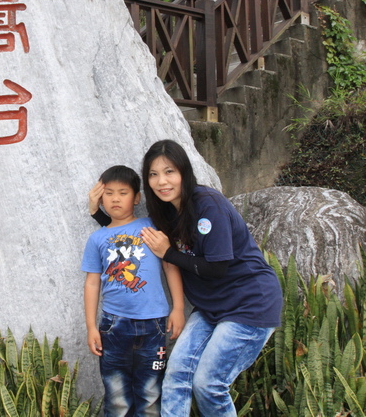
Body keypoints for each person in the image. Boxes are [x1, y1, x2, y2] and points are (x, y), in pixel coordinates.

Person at [91, 142, 282, 417]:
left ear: (184, 171)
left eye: (169, 171)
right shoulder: (165, 211)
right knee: (176, 377)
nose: (162, 181)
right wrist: (98, 214)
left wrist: (169, 253)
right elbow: (134, 240)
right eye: (154, 174)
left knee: (209, 385)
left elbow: (217, 267)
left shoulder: (208, 205)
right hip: (210, 308)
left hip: (249, 305)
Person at [82, 165, 185, 417]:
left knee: (150, 394)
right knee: (116, 397)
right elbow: (92, 283)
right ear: (100, 197)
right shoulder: (97, 239)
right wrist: (91, 326)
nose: (115, 199)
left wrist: (179, 308)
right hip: (113, 325)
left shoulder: (151, 227)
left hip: (154, 324)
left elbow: (170, 265)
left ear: (137, 198)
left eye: (123, 193)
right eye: (108, 193)